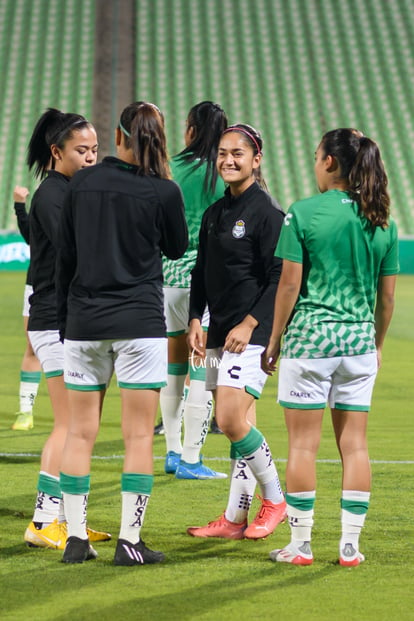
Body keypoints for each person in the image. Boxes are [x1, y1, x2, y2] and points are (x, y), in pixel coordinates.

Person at [56, 101, 188, 565]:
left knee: (79, 433)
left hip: (84, 322)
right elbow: (177, 246)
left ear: (117, 137)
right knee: (136, 437)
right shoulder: (165, 191)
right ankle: (129, 541)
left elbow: (65, 254)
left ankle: (75, 539)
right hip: (139, 324)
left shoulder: (84, 181)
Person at [262, 128, 399, 566]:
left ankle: (300, 545)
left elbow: (289, 284)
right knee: (354, 446)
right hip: (359, 343)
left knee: (303, 446)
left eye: (317, 156)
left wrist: (274, 339)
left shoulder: (303, 213)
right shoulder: (382, 219)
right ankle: (350, 547)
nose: (315, 163)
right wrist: (375, 344)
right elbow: (387, 297)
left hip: (312, 341)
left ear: (330, 163)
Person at [186, 124, 286, 540]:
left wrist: (250, 324)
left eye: (238, 154)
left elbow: (280, 277)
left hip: (251, 334)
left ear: (256, 159)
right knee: (241, 425)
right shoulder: (214, 213)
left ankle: (276, 499)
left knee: (229, 420)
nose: (228, 160)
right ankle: (233, 518)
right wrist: (195, 318)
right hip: (217, 335)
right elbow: (200, 273)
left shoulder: (267, 211)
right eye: (222, 153)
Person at [23, 108, 110, 550]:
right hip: (54, 321)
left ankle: (68, 518)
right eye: (82, 150)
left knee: (83, 426)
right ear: (56, 152)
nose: (91, 157)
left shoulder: (69, 190)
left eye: (95, 149)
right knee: (69, 425)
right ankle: (42, 522)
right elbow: (75, 249)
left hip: (69, 321)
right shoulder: (53, 195)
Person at [161, 101, 228, 480]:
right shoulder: (224, 173)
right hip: (204, 285)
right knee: (203, 367)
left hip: (167, 280)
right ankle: (191, 460)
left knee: (173, 367)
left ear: (190, 130)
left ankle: (171, 452)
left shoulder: (169, 168)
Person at [11, 186, 42, 431]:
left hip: (70, 285)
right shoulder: (48, 196)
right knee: (32, 347)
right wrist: (20, 206)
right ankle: (26, 411)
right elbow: (32, 238)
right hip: (36, 285)